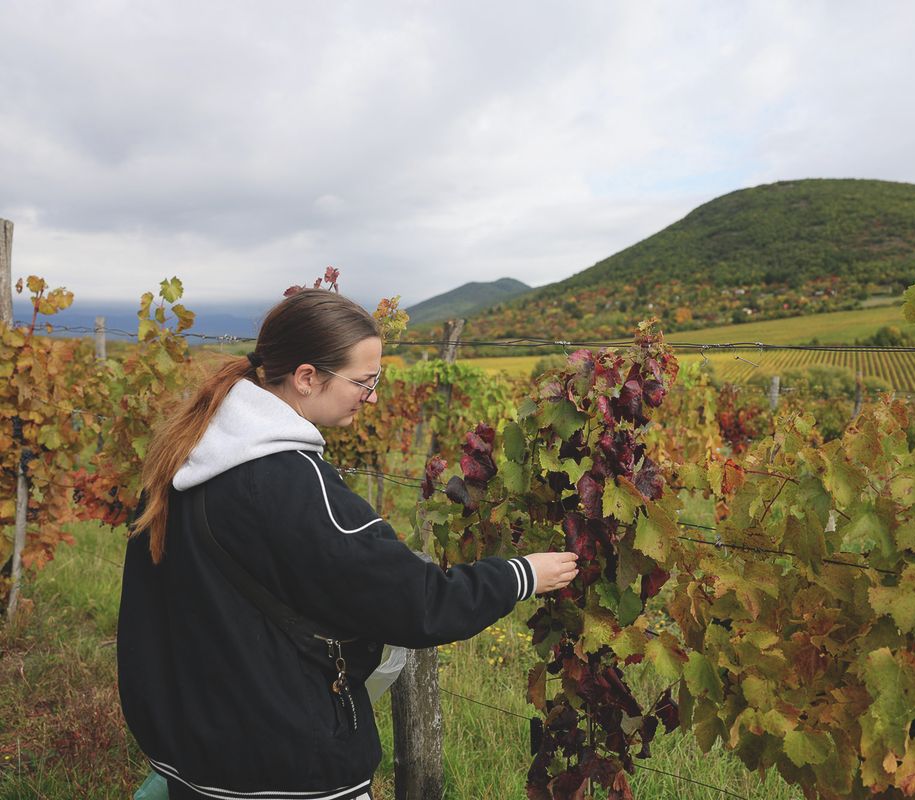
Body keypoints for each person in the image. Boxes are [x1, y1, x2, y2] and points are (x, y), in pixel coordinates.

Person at [117, 289, 578, 800]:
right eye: (363, 381)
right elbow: (417, 602)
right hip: (285, 768)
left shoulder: (187, 454)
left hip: (195, 756)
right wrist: (523, 574)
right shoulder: (292, 485)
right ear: (307, 377)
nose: (373, 396)